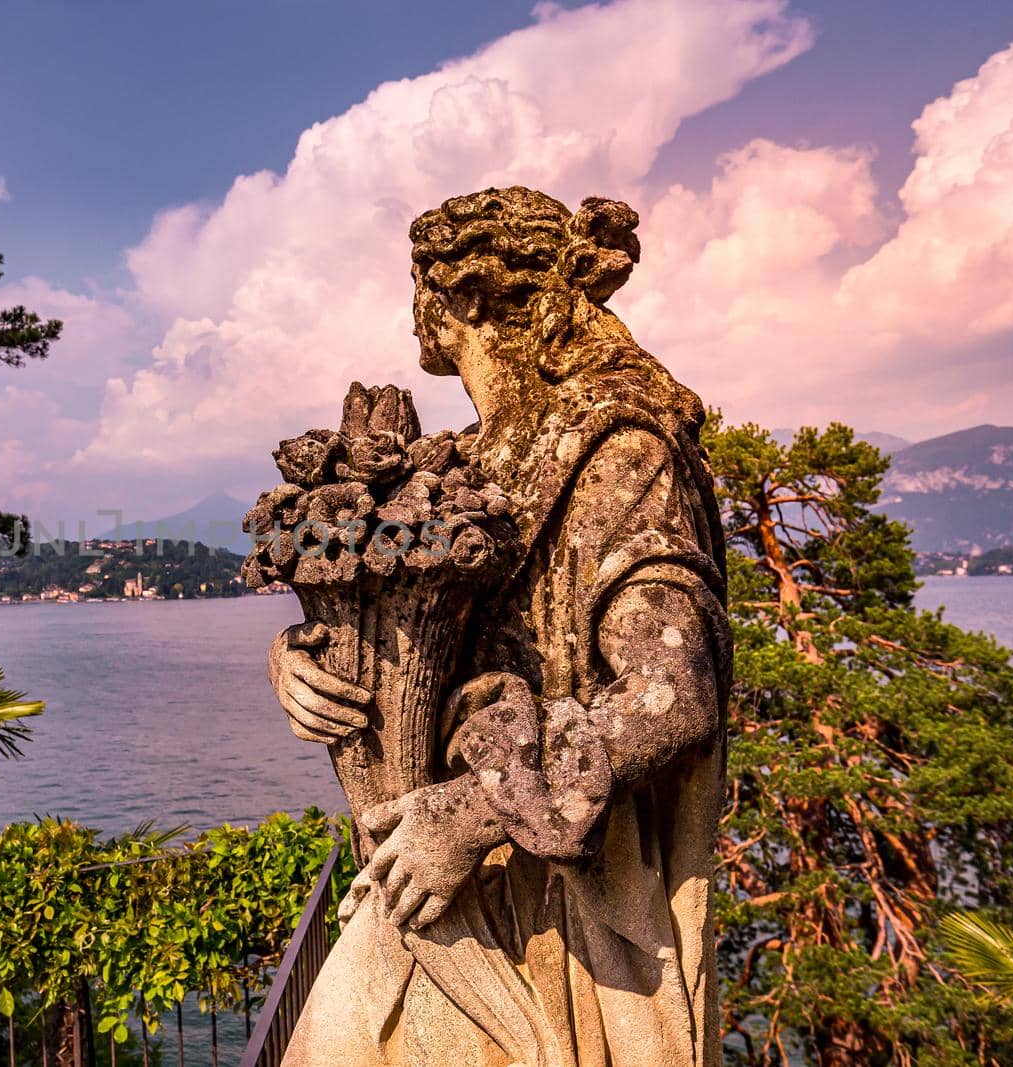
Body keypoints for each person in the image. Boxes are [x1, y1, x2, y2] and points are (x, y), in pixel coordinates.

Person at [269, 187, 732, 1066]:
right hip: (433, 885)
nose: (412, 310)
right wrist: (297, 661)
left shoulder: (618, 451)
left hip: (554, 906)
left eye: (417, 283)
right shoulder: (468, 467)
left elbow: (674, 699)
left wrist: (471, 813)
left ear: (465, 296)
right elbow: (414, 651)